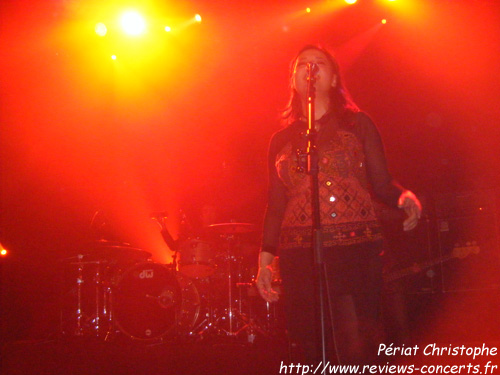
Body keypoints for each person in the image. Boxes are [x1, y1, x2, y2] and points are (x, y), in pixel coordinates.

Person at [255, 45, 422, 365]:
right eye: (303, 64)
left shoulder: (357, 125)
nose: (310, 69)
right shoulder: (280, 140)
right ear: (293, 80)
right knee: (312, 340)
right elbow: (275, 204)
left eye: (319, 64)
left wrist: (404, 197)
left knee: (356, 338)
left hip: (355, 249)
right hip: (300, 252)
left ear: (333, 79)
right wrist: (264, 261)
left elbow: (382, 182)